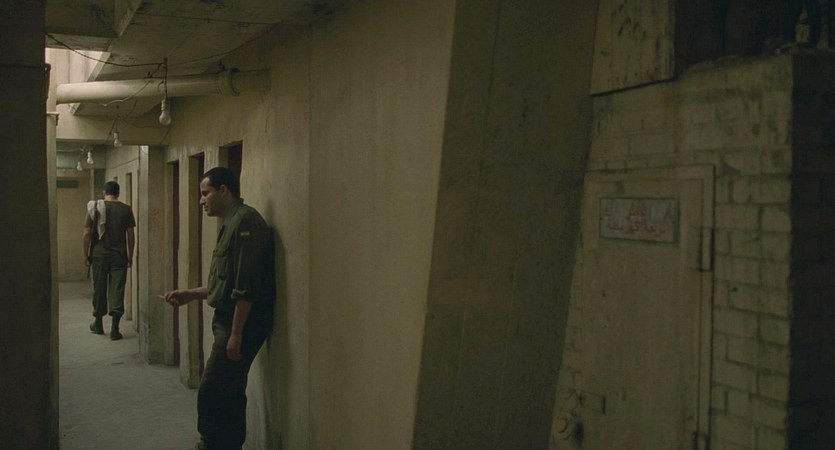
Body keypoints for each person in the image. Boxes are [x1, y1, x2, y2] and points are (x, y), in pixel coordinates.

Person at [164, 167, 274, 450]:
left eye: (205, 193)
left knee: (213, 389)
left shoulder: (245, 222)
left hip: (241, 323)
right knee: (229, 391)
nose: (202, 200)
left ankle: (212, 443)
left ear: (223, 190)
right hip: (230, 320)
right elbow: (226, 284)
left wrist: (236, 333)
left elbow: (245, 286)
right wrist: (190, 294)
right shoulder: (231, 223)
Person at [82, 180, 136, 340]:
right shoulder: (126, 209)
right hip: (119, 255)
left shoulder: (94, 208)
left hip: (99, 255)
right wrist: (130, 255)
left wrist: (85, 254)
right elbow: (131, 235)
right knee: (117, 288)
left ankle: (98, 323)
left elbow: (86, 233)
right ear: (118, 193)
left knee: (99, 288)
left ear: (104, 192)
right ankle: (115, 328)